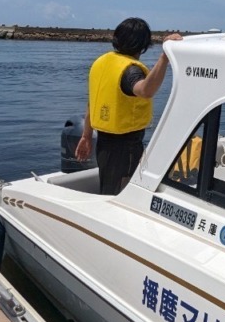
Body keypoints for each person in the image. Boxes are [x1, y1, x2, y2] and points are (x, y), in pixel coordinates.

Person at [75, 18, 182, 195]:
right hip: (125, 148)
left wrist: (86, 136)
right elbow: (145, 90)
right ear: (143, 45)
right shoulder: (130, 71)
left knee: (109, 188)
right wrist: (164, 58)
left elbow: (91, 103)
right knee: (120, 194)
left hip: (103, 144)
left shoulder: (101, 63)